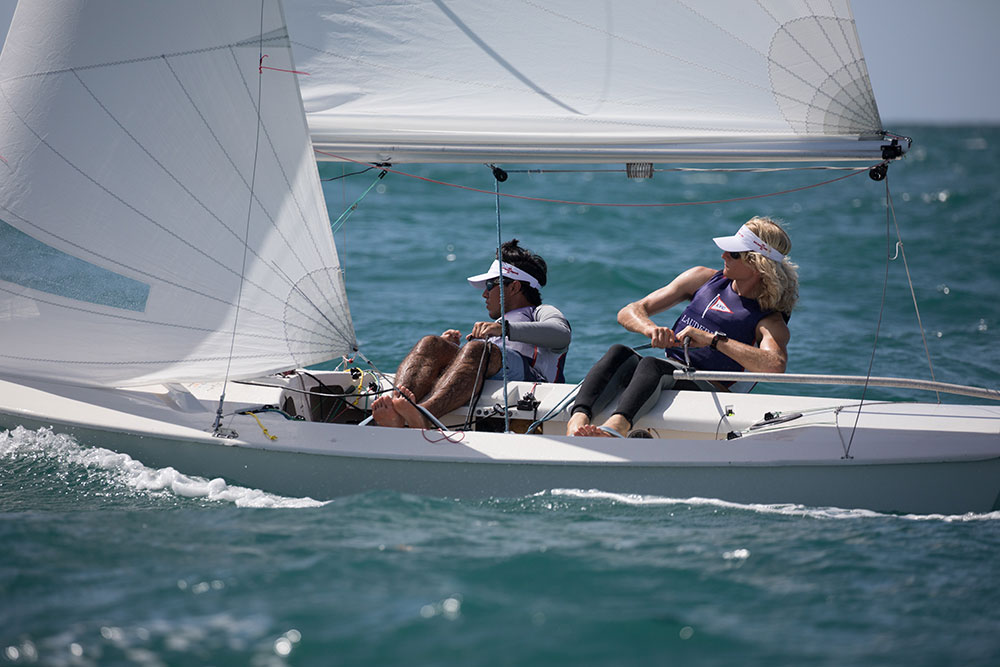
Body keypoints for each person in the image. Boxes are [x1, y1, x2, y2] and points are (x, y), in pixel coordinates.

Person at [567, 216, 798, 438]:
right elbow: (629, 311)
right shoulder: (703, 279)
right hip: (668, 371)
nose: (723, 255)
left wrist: (712, 340)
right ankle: (576, 422)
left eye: (734, 253)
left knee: (653, 365)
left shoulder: (769, 320)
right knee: (619, 352)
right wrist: (650, 329)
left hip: (711, 388)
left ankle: (616, 427)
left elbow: (775, 365)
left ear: (757, 264)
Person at [372, 239, 571, 429]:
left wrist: (504, 329)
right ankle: (396, 410)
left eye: (490, 285)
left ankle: (424, 415)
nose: (484, 293)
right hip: (493, 371)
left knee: (478, 349)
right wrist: (452, 351)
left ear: (514, 287)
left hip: (532, 386)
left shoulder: (541, 312)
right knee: (431, 343)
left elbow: (562, 335)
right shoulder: (495, 327)